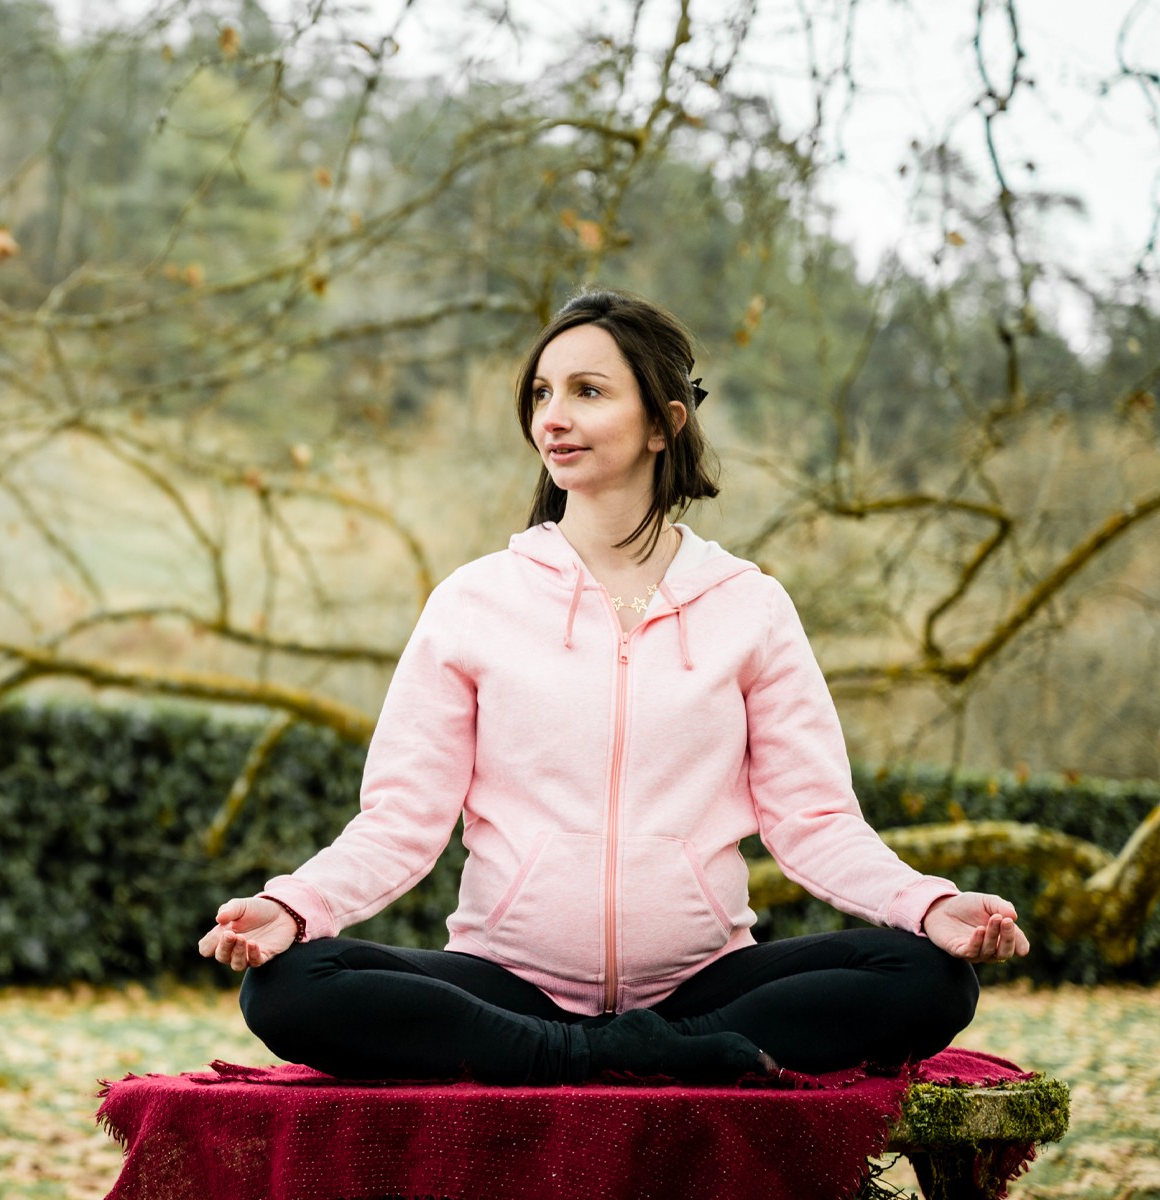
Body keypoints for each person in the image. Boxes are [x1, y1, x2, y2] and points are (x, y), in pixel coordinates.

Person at [196, 288, 1031, 1087]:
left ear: (665, 423)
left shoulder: (751, 607)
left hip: (708, 985)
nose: (552, 417)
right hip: (506, 983)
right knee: (290, 985)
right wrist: (296, 908)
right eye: (542, 393)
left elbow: (813, 821)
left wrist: (929, 907)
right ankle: (621, 1056)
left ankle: (628, 1049)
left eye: (588, 391)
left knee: (932, 977)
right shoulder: (474, 602)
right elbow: (403, 820)